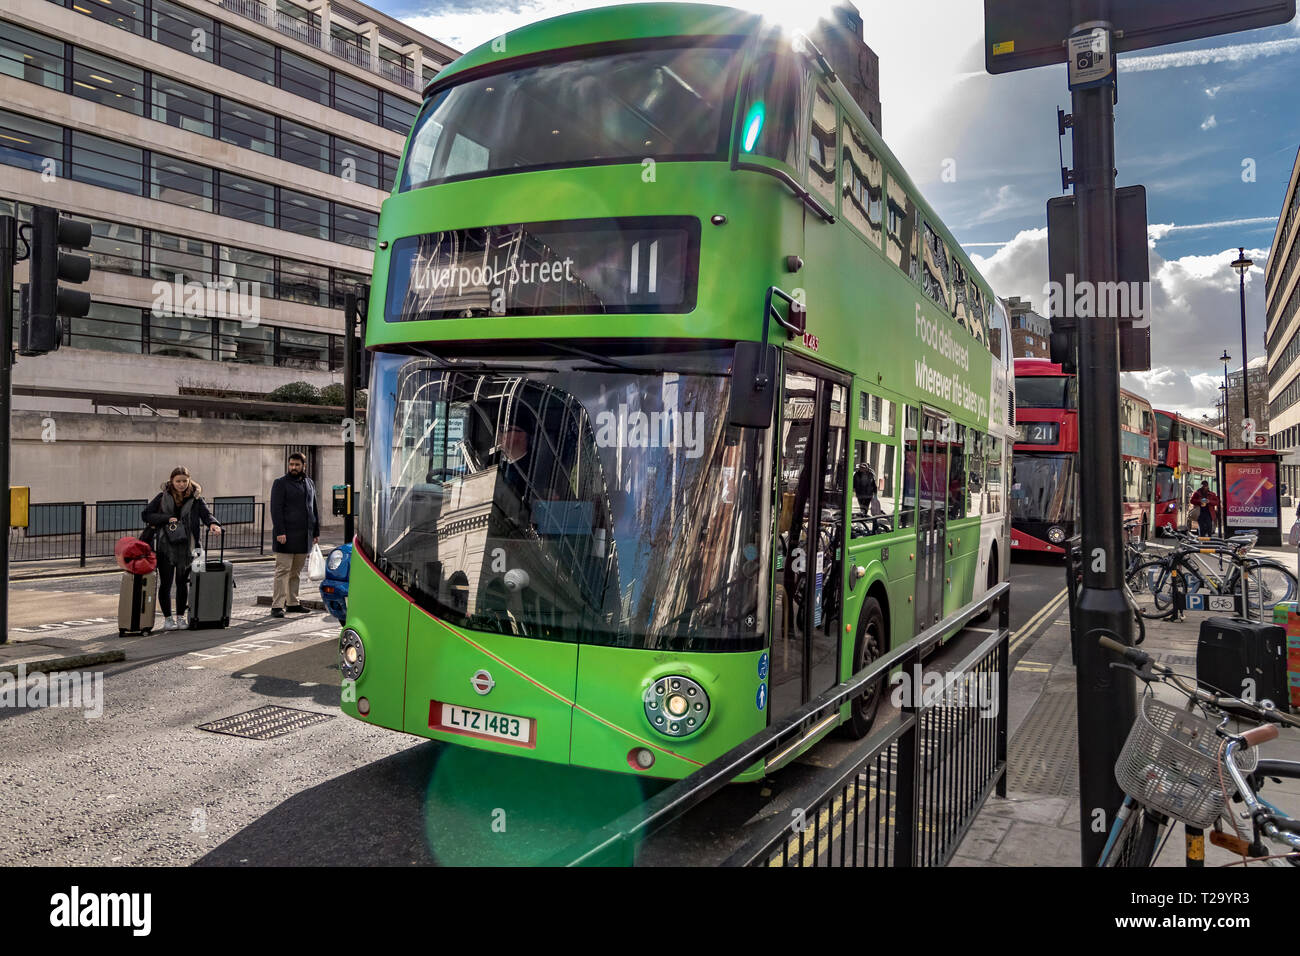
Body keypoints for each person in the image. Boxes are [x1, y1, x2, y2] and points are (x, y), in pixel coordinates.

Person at [142, 466, 221, 630]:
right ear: (172, 481)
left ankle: (180, 618)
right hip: (166, 546)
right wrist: (166, 518)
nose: (182, 484)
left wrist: (213, 524)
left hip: (187, 546)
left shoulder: (196, 498)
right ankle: (167, 619)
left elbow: (206, 514)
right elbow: (146, 515)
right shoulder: (163, 496)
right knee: (166, 583)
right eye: (178, 481)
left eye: (185, 481)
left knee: (182, 583)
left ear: (189, 480)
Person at [269, 453, 320, 618]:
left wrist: (316, 532)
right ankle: (277, 606)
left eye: (297, 465)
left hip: (304, 535)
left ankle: (292, 603)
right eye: (291, 464)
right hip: (286, 534)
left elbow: (314, 508)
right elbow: (276, 509)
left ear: (303, 465)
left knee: (295, 572)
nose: (293, 467)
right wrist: (280, 531)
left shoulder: (309, 483)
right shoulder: (280, 483)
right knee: (282, 570)